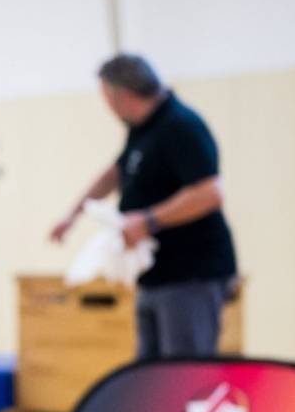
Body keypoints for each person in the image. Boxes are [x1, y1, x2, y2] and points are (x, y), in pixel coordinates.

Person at [50, 54, 238, 359]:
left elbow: (210, 192)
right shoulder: (144, 129)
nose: (107, 107)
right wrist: (74, 214)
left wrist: (149, 220)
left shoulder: (180, 125)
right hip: (155, 275)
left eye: (106, 99)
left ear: (121, 95)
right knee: (148, 378)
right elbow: (116, 171)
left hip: (190, 275)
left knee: (180, 375)